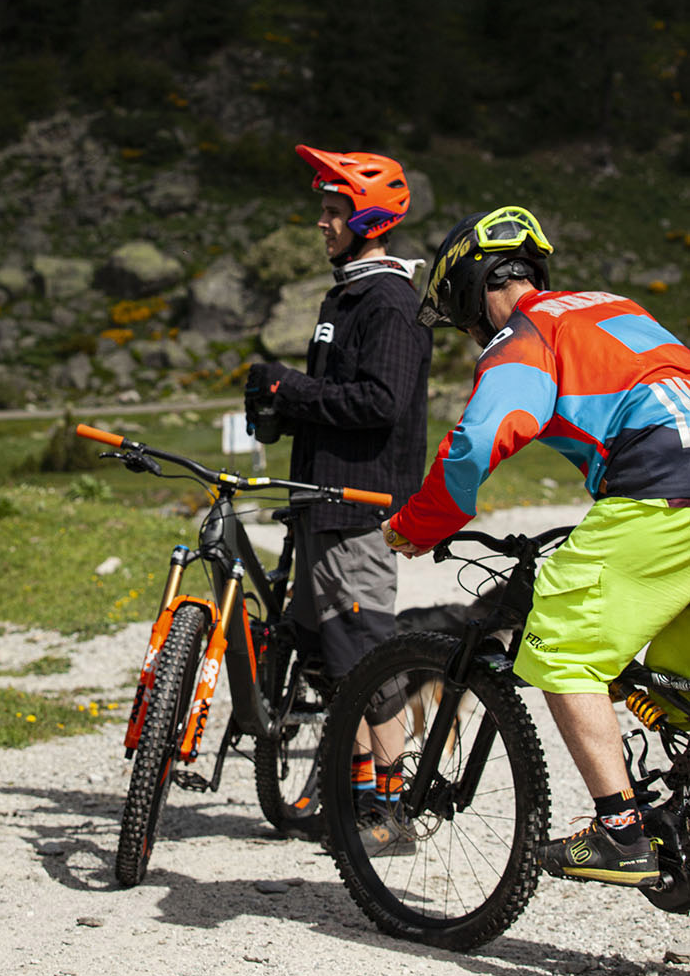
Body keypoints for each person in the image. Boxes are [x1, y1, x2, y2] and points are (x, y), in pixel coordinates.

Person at [383, 205, 690, 889]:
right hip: (671, 489)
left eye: (462, 317)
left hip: (663, 491)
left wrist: (417, 524)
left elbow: (477, 442)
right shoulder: (613, 306)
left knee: (558, 641)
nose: (468, 333)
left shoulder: (523, 335)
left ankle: (619, 832)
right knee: (674, 683)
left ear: (471, 290)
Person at [244, 148, 432, 849]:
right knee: (326, 658)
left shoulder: (388, 301)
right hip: (320, 501)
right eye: (322, 210)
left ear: (368, 218)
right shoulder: (345, 295)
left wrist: (290, 387)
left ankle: (392, 811)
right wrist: (279, 401)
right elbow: (337, 405)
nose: (319, 223)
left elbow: (380, 404)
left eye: (333, 212)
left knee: (364, 654)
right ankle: (350, 797)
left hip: (359, 507)